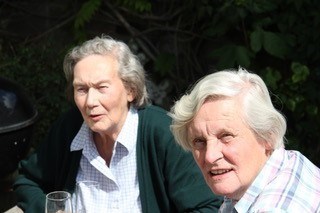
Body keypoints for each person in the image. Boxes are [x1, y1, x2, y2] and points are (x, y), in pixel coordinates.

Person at [13, 35, 222, 212]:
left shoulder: (162, 132)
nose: (90, 102)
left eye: (102, 87)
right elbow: (28, 181)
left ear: (130, 90)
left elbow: (207, 206)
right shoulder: (69, 128)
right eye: (81, 89)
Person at [169, 67, 320, 212]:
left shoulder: (273, 208)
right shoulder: (288, 163)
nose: (209, 156)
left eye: (226, 136)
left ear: (268, 135)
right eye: (199, 141)